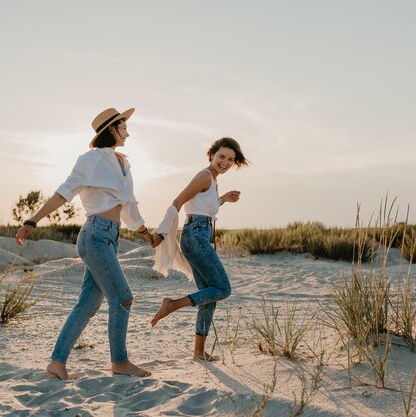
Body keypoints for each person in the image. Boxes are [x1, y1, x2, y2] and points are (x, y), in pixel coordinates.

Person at [15, 107, 153, 379]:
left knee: (88, 304)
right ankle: (120, 362)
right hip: (95, 235)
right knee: (123, 298)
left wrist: (145, 232)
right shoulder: (91, 159)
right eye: (124, 127)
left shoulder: (124, 162)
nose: (128, 131)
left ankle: (57, 363)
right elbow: (64, 192)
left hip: (111, 236)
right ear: (112, 129)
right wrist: (32, 220)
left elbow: (129, 204)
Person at [150, 137, 249, 361]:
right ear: (212, 155)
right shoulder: (204, 175)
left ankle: (198, 352)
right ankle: (172, 304)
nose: (225, 162)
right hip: (196, 236)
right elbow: (177, 202)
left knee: (209, 297)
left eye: (231, 159)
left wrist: (222, 199)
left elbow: (203, 207)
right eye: (221, 156)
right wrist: (161, 231)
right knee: (223, 289)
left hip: (199, 233)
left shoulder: (213, 180)